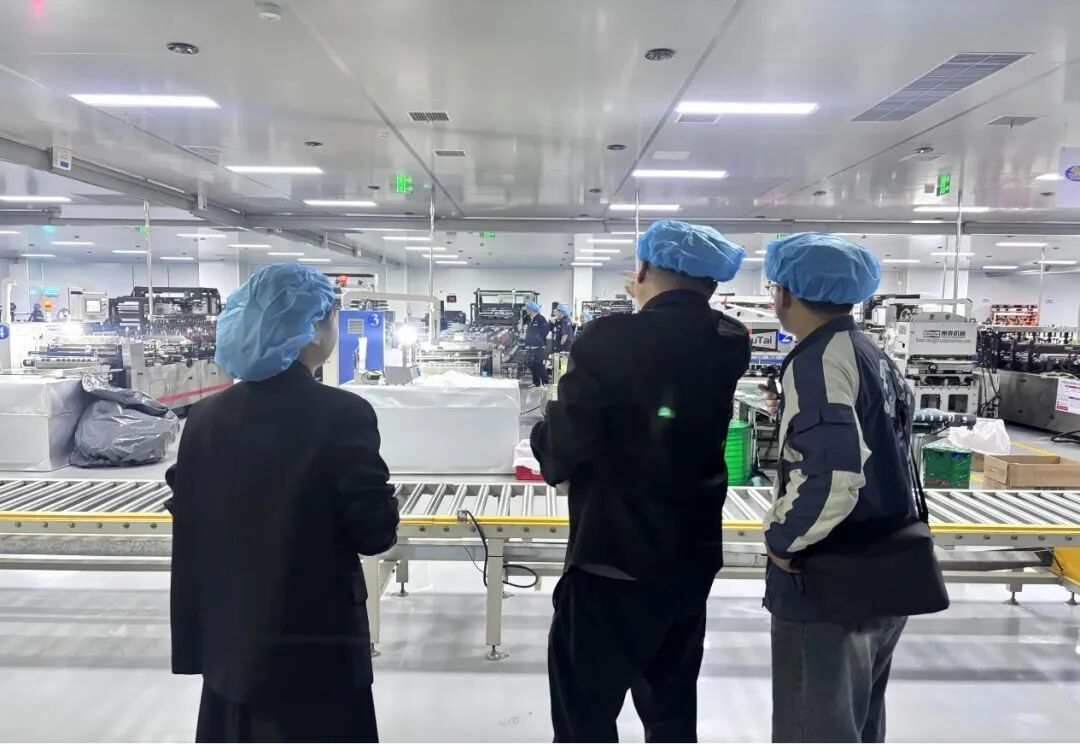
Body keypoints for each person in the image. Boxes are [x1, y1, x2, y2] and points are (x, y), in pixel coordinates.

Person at [531, 220, 750, 743]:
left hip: (612, 557)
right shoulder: (730, 340)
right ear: (712, 282)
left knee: (584, 717)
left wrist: (543, 434)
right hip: (690, 560)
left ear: (644, 269)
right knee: (671, 713)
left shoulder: (610, 338)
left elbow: (564, 448)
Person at [167, 263, 399, 743]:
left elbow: (192, 516)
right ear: (310, 328)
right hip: (313, 651)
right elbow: (374, 534)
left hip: (230, 645)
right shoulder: (342, 414)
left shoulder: (205, 417)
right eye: (332, 317)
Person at [761, 233, 920, 743]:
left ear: (786, 293)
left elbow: (832, 474)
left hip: (831, 580)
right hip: (884, 566)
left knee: (815, 728)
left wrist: (784, 541)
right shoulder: (868, 351)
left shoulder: (818, 360)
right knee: (857, 723)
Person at [523, 300, 550, 386]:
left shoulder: (541, 319)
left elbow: (546, 331)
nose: (526, 310)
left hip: (538, 346)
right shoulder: (529, 319)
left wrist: (538, 338)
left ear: (532, 310)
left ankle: (545, 382)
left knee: (539, 364)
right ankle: (536, 382)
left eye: (527, 309)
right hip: (530, 346)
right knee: (532, 365)